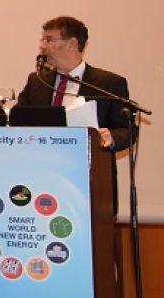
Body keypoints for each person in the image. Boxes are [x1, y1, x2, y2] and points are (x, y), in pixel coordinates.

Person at [17, 15, 131, 212]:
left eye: (49, 40)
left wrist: (111, 137)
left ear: (72, 43)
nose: (42, 46)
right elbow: (18, 120)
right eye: (42, 39)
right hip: (42, 182)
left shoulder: (109, 84)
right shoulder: (37, 81)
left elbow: (127, 130)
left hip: (90, 182)